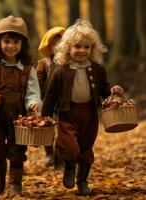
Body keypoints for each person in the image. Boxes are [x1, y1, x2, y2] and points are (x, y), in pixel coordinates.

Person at [41, 19, 124, 196]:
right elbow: (50, 96)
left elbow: (103, 88)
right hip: (67, 113)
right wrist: (45, 116)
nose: (82, 51)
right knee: (69, 145)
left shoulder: (97, 69)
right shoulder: (60, 71)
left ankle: (83, 180)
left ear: (93, 49)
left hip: (89, 114)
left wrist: (112, 91)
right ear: (68, 48)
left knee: (86, 148)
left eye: (87, 47)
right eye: (77, 46)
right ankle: (70, 167)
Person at [0, 15, 41, 198]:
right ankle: (0, 170)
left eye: (15, 42)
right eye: (7, 41)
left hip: (19, 116)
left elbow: (33, 91)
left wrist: (33, 102)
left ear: (22, 45)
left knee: (17, 150)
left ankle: (15, 185)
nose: (11, 46)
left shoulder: (28, 69)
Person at [36, 27, 65, 169]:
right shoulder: (43, 63)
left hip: (63, 101)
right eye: (54, 44)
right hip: (46, 100)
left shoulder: (68, 63)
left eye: (61, 43)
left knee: (63, 129)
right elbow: (38, 82)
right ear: (48, 46)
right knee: (47, 129)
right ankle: (49, 152)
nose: (58, 47)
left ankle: (60, 155)